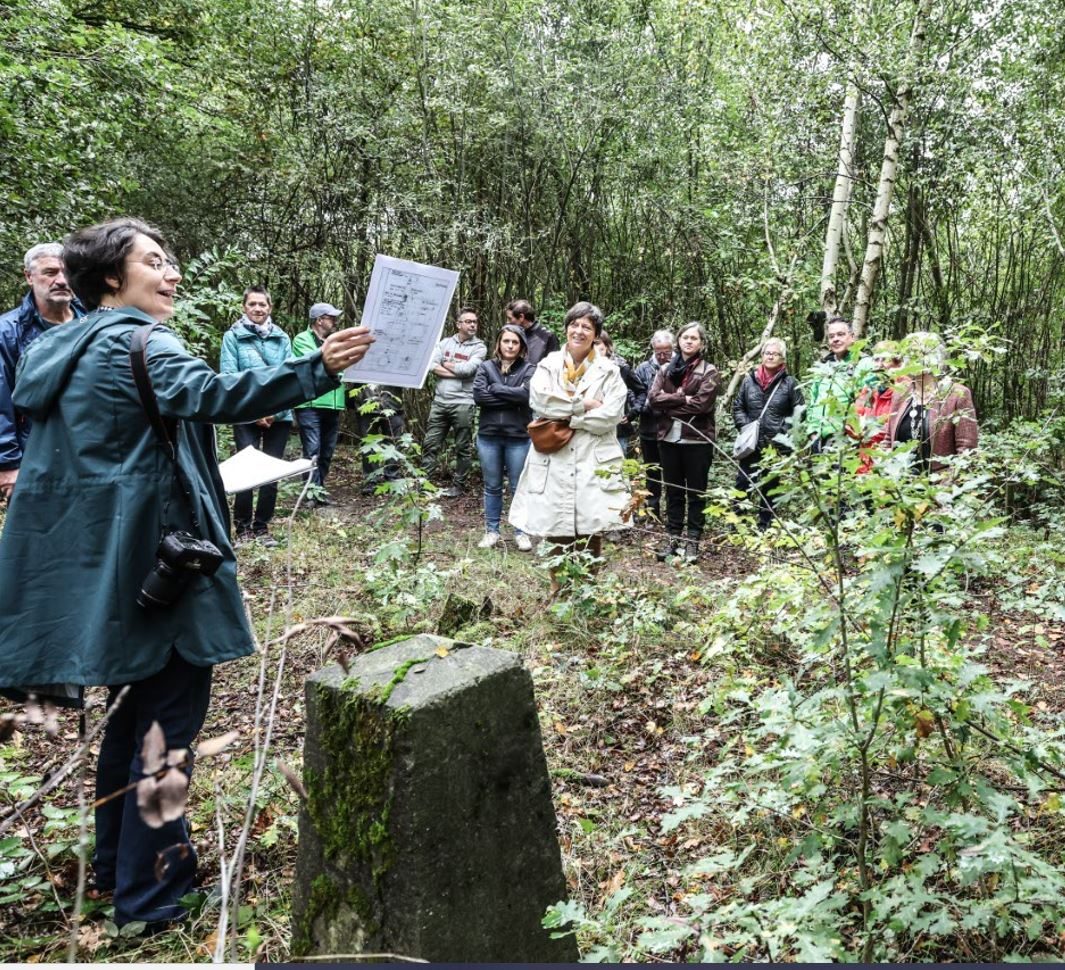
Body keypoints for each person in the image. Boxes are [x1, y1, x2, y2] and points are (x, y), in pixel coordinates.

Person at [0, 217, 373, 930]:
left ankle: (117, 869)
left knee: (131, 721)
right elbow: (221, 396)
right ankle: (154, 898)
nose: (171, 274)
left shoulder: (55, 348)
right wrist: (317, 369)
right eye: (155, 262)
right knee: (166, 736)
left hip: (106, 571)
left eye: (171, 261)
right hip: (165, 570)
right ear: (111, 278)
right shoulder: (143, 342)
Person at [509, 301, 630, 596]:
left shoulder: (609, 371)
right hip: (555, 454)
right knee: (555, 524)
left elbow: (611, 415)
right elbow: (539, 402)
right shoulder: (549, 364)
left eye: (586, 327)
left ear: (595, 334)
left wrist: (567, 415)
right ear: (566, 329)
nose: (579, 331)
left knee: (590, 525)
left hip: (593, 456)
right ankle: (557, 591)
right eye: (574, 325)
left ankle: (587, 592)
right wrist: (584, 406)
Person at [0, 242, 85, 500]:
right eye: (50, 272)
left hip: (88, 452)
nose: (61, 280)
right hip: (36, 453)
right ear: (29, 276)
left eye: (67, 272)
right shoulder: (8, 332)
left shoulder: (92, 321)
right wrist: (8, 464)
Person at [220, 286, 294, 543]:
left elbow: (288, 378)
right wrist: (254, 413)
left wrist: (275, 412)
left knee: (270, 473)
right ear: (244, 307)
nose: (258, 309)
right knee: (246, 471)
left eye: (262, 304)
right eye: (252, 304)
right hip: (246, 416)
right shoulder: (233, 337)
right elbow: (230, 378)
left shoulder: (282, 338)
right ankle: (242, 529)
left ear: (269, 308)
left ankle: (262, 527)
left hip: (279, 417)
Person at [648, 322, 719, 562]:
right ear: (678, 340)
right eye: (685, 337)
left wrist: (670, 407)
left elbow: (702, 405)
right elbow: (653, 399)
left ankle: (692, 541)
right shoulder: (666, 369)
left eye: (694, 338)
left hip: (697, 440)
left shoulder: (709, 371)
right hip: (668, 439)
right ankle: (672, 537)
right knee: (673, 491)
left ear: (702, 343)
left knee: (696, 492)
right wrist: (681, 397)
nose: (689, 341)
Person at [472, 324, 536, 551]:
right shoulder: (486, 367)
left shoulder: (529, 369)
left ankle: (522, 532)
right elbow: (479, 396)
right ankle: (492, 531)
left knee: (519, 487)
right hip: (489, 436)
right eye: (506, 341)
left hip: (518, 437)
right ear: (498, 343)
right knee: (492, 486)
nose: (510, 346)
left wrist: (495, 388)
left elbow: (527, 395)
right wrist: (511, 395)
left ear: (521, 346)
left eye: (515, 342)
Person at [731, 337, 803, 530]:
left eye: (775, 353)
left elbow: (799, 413)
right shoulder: (749, 381)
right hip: (751, 444)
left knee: (770, 486)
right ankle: (738, 523)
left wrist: (782, 434)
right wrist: (747, 427)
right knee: (743, 482)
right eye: (767, 353)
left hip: (775, 447)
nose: (770, 356)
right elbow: (738, 407)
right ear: (761, 356)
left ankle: (765, 524)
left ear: (782, 359)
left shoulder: (790, 383)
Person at [886, 331, 978, 472]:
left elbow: (967, 451)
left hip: (938, 487)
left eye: (921, 353)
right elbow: (887, 439)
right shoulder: (901, 392)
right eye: (910, 353)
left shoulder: (956, 394)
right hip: (899, 486)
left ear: (935, 357)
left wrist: (946, 487)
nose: (914, 358)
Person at [421, 307, 486, 497]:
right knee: (431, 443)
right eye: (468, 321)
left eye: (475, 321)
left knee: (462, 446)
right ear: (459, 324)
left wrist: (447, 365)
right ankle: (425, 483)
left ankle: (459, 485)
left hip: (463, 403)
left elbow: (469, 370)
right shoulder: (444, 343)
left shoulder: (479, 347)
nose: (473, 324)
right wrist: (456, 369)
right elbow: (432, 366)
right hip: (440, 402)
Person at [292, 302, 346, 503]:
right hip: (311, 404)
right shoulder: (302, 339)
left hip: (333, 403)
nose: (334, 321)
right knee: (312, 450)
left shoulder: (334, 341)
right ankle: (310, 494)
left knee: (327, 451)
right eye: (331, 317)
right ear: (319, 320)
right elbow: (318, 362)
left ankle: (319, 491)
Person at [804, 316, 874, 450]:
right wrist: (812, 430)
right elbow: (813, 401)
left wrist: (853, 433)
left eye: (841, 335)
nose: (836, 339)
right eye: (831, 336)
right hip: (818, 438)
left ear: (852, 337)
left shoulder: (864, 363)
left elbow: (867, 402)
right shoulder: (823, 366)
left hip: (846, 439)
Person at [633, 330, 675, 520]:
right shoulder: (643, 368)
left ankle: (673, 513)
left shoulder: (680, 366)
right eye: (659, 351)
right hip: (649, 427)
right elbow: (634, 393)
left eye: (666, 351)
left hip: (673, 428)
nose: (663, 355)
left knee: (673, 472)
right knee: (652, 471)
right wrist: (643, 406)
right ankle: (653, 511)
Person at [851, 340, 902, 474]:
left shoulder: (903, 389)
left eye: (885, 359)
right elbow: (855, 417)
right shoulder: (869, 388)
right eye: (876, 359)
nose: (879, 364)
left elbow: (899, 426)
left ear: (897, 363)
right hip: (865, 458)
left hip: (890, 459)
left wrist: (871, 430)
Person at [351, 383, 406, 493]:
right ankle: (371, 480)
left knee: (394, 442)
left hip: (393, 404)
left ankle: (393, 478)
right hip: (365, 403)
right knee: (369, 443)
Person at [594, 330, 640, 455]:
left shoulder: (621, 367)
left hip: (617, 428)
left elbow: (641, 390)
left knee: (617, 468)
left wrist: (632, 413)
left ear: (608, 347)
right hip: (590, 428)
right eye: (592, 345)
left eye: (599, 345)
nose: (596, 350)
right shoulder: (581, 367)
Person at [506, 298, 559, 365]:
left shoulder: (547, 337)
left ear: (521, 317)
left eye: (510, 318)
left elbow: (556, 366)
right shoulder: (513, 335)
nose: (507, 322)